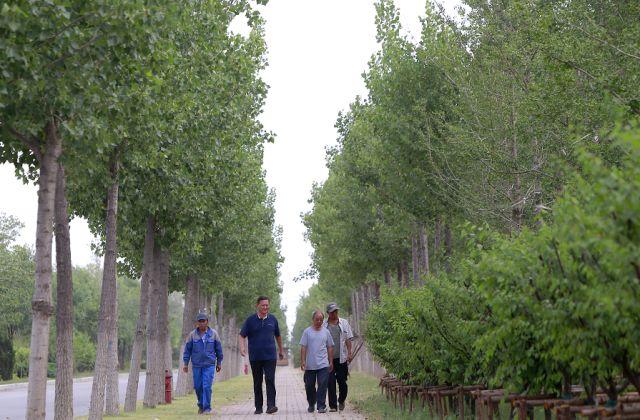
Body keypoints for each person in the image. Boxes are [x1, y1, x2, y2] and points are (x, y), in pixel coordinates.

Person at [239, 296, 285, 415]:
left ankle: (271, 406)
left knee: (270, 380)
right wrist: (242, 347)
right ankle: (258, 407)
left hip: (270, 356)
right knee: (257, 381)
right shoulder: (250, 321)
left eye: (267, 305)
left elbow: (278, 336)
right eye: (263, 305)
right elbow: (242, 335)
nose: (265, 307)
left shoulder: (273, 320)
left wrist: (281, 350)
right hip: (255, 357)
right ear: (257, 306)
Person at [182, 312, 223, 415]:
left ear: (207, 322)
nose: (201, 323)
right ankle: (201, 404)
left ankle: (207, 408)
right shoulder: (192, 335)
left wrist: (219, 363)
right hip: (196, 365)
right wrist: (185, 364)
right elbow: (187, 350)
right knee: (198, 386)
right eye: (200, 321)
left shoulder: (213, 334)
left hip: (209, 365)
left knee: (207, 386)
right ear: (197, 323)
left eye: (203, 321)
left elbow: (219, 350)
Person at [300, 309, 334, 414]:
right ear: (313, 320)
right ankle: (311, 404)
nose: (319, 321)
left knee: (322, 385)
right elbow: (303, 347)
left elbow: (330, 347)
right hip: (310, 365)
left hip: (323, 364)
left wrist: (331, 361)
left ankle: (321, 406)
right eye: (317, 319)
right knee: (309, 385)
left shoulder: (326, 332)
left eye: (321, 320)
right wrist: (303, 361)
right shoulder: (307, 332)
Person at [323, 302, 354, 412]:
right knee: (330, 382)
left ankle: (341, 400)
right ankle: (332, 406)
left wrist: (349, 353)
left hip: (342, 358)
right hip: (328, 359)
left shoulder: (344, 323)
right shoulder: (323, 325)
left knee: (342, 381)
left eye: (336, 311)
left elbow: (348, 339)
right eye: (332, 312)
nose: (335, 313)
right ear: (328, 313)